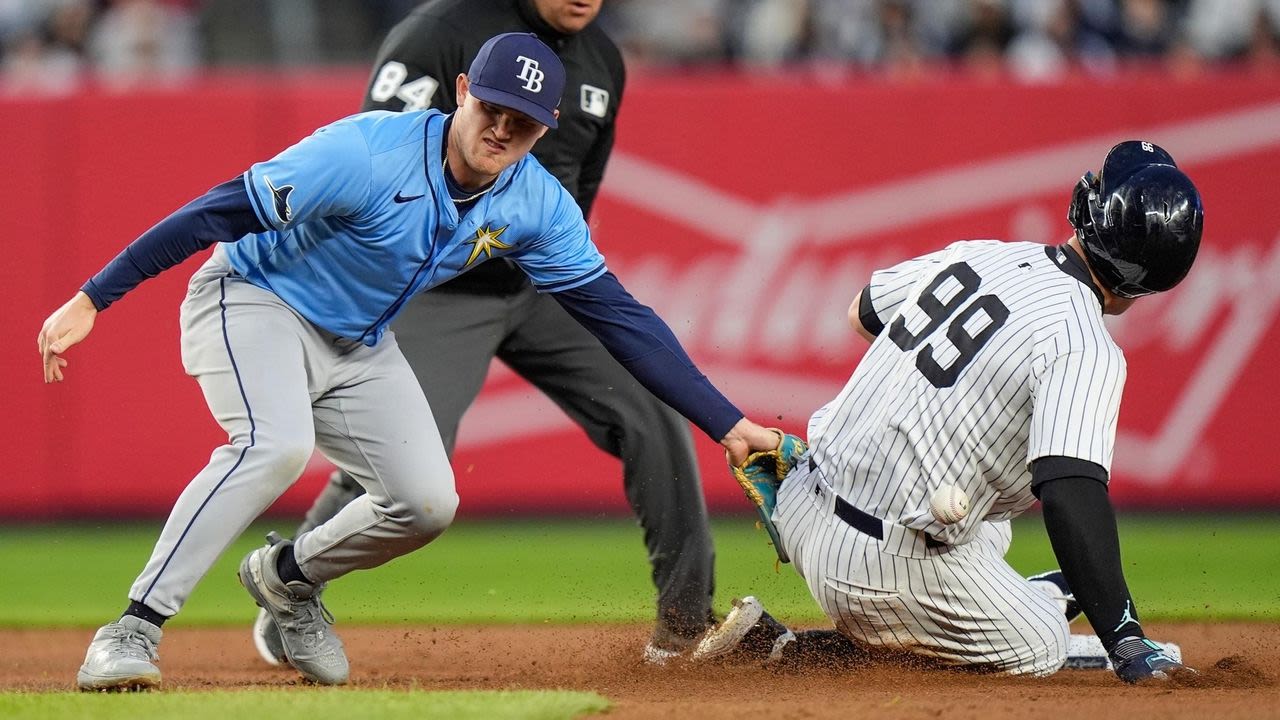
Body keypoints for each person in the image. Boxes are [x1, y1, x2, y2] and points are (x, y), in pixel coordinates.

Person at [41, 32, 781, 691]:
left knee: (428, 503)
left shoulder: (536, 202)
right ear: (462, 91)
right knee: (274, 447)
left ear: (545, 129)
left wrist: (724, 421)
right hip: (255, 298)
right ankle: (132, 629)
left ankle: (288, 579)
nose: (501, 127)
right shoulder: (366, 151)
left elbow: (619, 317)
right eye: (490, 105)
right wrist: (94, 297)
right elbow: (217, 210)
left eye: (522, 121)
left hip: (359, 340)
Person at [249, 0, 717, 668]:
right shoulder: (440, 33)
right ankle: (290, 583)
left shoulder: (603, 60)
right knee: (403, 459)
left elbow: (578, 193)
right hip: (435, 290)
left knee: (654, 411)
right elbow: (376, 157)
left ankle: (687, 625)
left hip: (535, 288)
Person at [691, 141, 1204, 683]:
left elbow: (862, 314)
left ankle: (1044, 591)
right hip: (875, 568)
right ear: (1157, 278)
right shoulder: (1084, 346)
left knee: (990, 526)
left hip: (801, 498)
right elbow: (1071, 492)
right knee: (1042, 643)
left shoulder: (981, 254)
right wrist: (1124, 639)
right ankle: (788, 651)